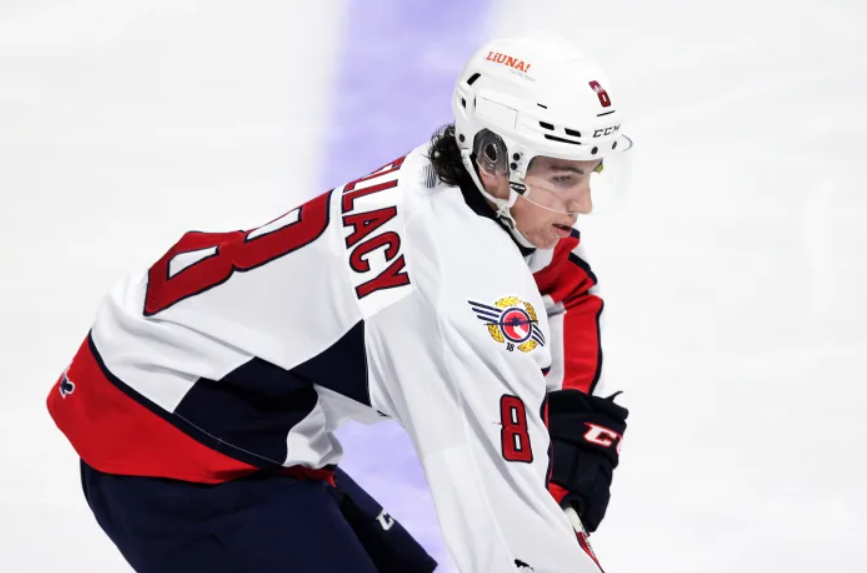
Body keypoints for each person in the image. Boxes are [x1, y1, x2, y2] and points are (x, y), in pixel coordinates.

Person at [47, 34, 632, 573]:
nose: (582, 202)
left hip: (213, 404)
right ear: (494, 158)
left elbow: (563, 288)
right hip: (169, 443)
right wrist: (562, 487)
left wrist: (572, 423)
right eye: (563, 177)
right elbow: (508, 534)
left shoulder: (453, 181)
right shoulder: (458, 296)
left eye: (591, 172)